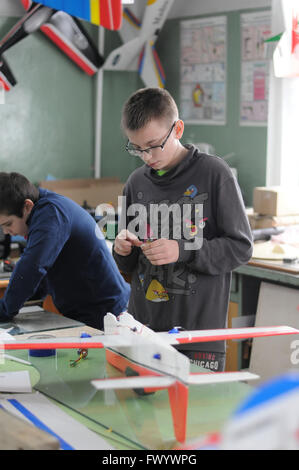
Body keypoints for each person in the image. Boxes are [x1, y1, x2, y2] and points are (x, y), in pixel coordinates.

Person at [113, 87, 253, 372]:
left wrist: (183, 249)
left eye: (153, 145)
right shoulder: (135, 182)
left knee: (195, 415)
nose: (146, 156)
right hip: (143, 330)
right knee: (141, 415)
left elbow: (241, 247)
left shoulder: (215, 174)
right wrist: (121, 248)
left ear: (177, 129)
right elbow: (129, 264)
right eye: (137, 148)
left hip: (197, 337)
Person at [0, 172, 130, 330]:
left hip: (106, 312)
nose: (6, 232)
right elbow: (42, 271)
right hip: (87, 309)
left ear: (27, 206)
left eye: (8, 224)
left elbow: (33, 266)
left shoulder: (52, 213)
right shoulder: (40, 211)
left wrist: (5, 309)